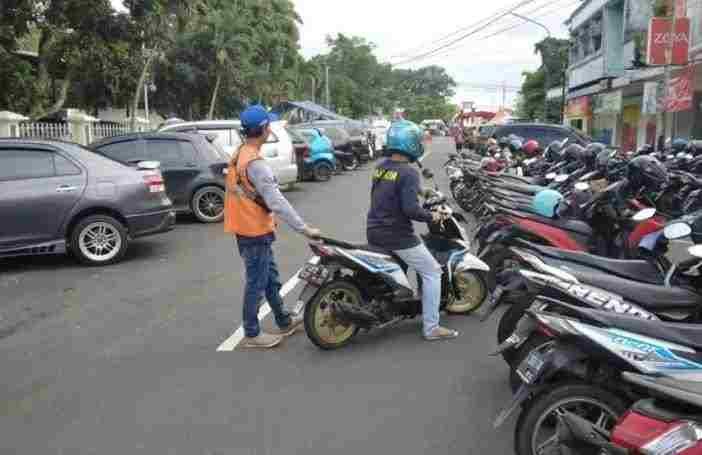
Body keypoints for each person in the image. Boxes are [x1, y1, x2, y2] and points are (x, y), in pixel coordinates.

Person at [224, 105, 321, 349]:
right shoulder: (255, 163)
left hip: (247, 227)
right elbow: (276, 202)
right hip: (253, 231)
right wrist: (304, 229)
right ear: (265, 129)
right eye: (269, 126)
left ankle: (284, 320)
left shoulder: (241, 153)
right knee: (257, 283)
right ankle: (252, 333)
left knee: (269, 279)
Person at [366, 120, 459, 341]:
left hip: (375, 229)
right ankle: (432, 328)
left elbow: (391, 188)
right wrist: (432, 216)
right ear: (410, 144)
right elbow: (410, 210)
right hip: (397, 235)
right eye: (417, 140)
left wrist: (422, 191)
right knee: (433, 272)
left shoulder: (381, 167)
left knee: (404, 265)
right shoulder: (408, 172)